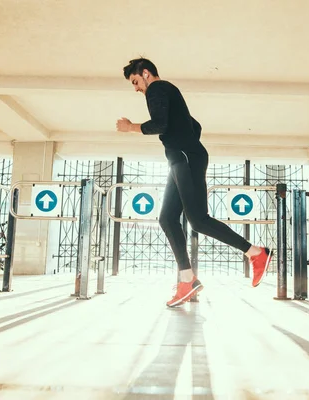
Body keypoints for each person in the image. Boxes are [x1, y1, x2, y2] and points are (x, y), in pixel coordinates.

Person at [116, 58, 273, 307]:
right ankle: (187, 279)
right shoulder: (170, 92)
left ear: (146, 73)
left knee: (198, 220)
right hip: (181, 159)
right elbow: (195, 126)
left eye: (135, 81)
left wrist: (130, 127)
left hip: (185, 159)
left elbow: (160, 124)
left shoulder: (157, 89)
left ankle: (256, 253)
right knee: (167, 219)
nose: (136, 88)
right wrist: (185, 140)